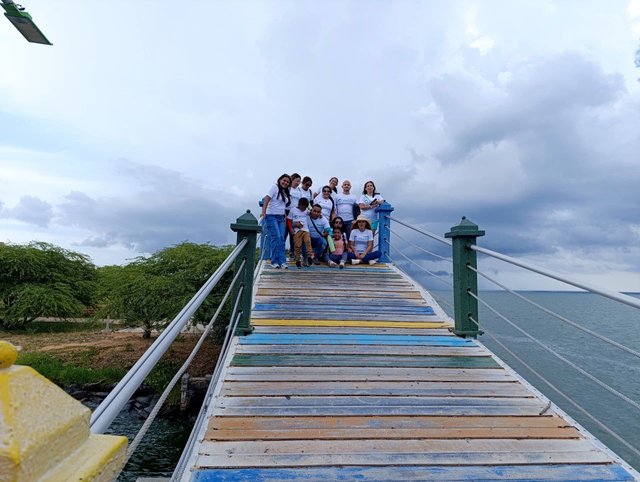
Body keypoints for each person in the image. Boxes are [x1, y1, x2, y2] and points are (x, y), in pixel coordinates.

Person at [261, 173, 291, 268]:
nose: (285, 183)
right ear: (280, 179)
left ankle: (282, 261)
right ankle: (274, 261)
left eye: (287, 182)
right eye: (284, 180)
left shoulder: (285, 191)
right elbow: (267, 199)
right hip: (271, 216)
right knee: (276, 237)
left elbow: (282, 205)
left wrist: (285, 216)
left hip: (281, 217)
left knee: (282, 238)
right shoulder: (274, 187)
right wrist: (263, 212)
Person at [287, 197, 314, 268]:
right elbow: (289, 220)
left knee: (308, 241)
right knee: (297, 245)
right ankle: (298, 260)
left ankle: (309, 256)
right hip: (297, 231)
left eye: (305, 207)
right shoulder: (293, 210)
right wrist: (291, 229)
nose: (304, 209)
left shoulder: (306, 210)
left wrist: (311, 209)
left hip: (305, 229)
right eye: (303, 207)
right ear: (299, 204)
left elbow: (312, 212)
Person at [286, 173, 302, 259]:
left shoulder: (299, 191)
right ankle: (280, 252)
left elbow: (303, 201)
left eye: (299, 181)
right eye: (296, 181)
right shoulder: (288, 189)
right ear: (292, 180)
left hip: (295, 213)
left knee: (293, 234)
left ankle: (292, 252)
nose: (298, 183)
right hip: (286, 211)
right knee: (284, 233)